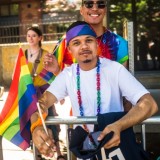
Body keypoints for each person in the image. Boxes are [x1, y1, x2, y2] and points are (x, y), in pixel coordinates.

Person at [30, 21, 158, 159]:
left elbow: (149, 104)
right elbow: (41, 104)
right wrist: (36, 128)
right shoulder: (67, 75)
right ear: (69, 49)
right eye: (76, 43)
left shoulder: (115, 69)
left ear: (96, 44)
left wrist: (119, 125)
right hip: (87, 152)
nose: (84, 46)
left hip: (116, 149)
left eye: (89, 40)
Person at [44, 0, 131, 111]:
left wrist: (124, 121)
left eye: (100, 4)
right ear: (81, 10)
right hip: (80, 116)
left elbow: (125, 89)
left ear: (105, 10)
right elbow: (63, 83)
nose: (95, 8)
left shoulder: (119, 44)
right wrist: (56, 70)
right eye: (89, 4)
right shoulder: (67, 42)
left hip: (112, 117)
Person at [25, 26, 65, 160]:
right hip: (30, 94)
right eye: (28, 35)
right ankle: (37, 153)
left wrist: (60, 94)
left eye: (34, 35)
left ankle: (58, 152)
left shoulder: (46, 54)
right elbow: (17, 75)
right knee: (32, 123)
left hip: (45, 93)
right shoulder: (23, 55)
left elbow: (52, 75)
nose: (30, 38)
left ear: (40, 38)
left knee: (51, 120)